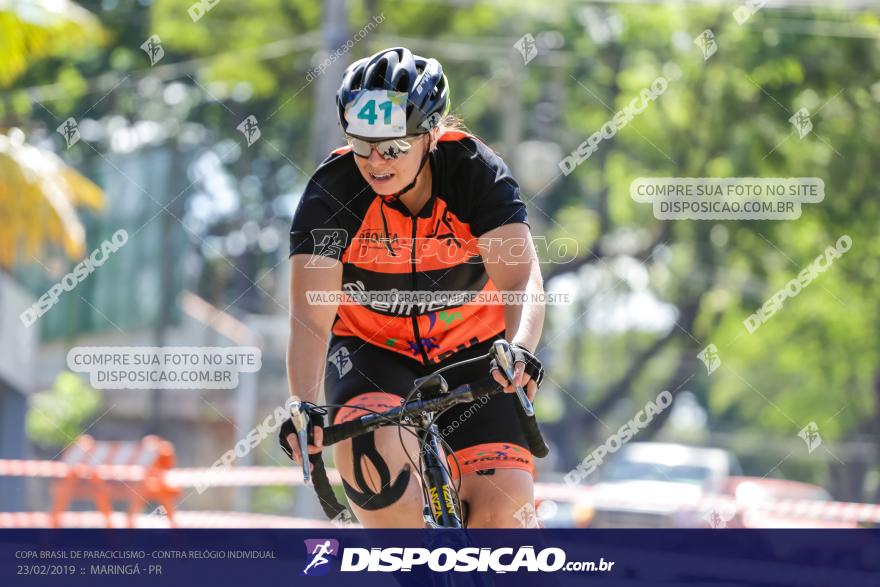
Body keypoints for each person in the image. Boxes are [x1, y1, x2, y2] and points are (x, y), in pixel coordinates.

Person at [280, 47, 545, 528]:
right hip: (371, 352)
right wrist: (303, 404)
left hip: (475, 352)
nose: (375, 162)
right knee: (374, 472)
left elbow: (521, 279)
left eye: (394, 147)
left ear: (431, 135)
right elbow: (310, 317)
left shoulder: (474, 172)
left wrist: (521, 349)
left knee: (505, 518)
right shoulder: (332, 191)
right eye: (361, 144)